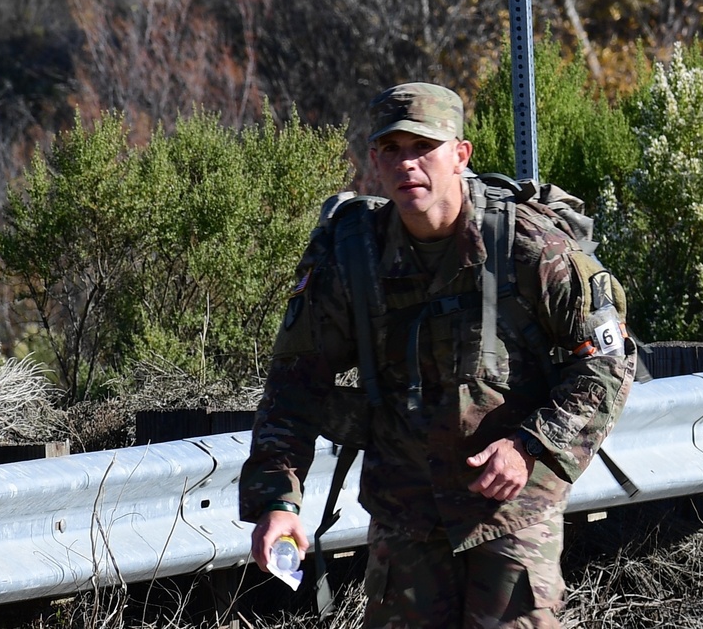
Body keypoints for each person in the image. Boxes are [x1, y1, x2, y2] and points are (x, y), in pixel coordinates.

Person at [238, 82, 637, 628]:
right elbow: (293, 384)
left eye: (422, 147)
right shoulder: (354, 257)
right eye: (391, 150)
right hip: (403, 515)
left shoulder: (527, 244)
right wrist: (278, 500)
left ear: (460, 154)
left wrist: (528, 446)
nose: (407, 164)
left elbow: (607, 363)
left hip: (510, 516)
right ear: (374, 161)